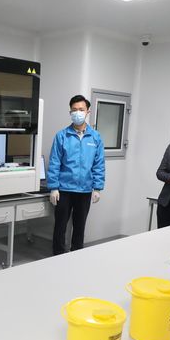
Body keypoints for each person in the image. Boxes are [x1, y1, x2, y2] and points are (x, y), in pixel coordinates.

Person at [47, 95, 105, 255]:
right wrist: (53, 187)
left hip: (84, 190)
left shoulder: (95, 137)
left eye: (81, 109)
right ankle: (57, 256)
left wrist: (97, 187)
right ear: (70, 112)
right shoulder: (62, 136)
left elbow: (98, 164)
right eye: (74, 110)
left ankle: (77, 256)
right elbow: (54, 162)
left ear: (88, 112)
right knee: (60, 227)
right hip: (64, 190)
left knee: (80, 227)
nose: (77, 112)